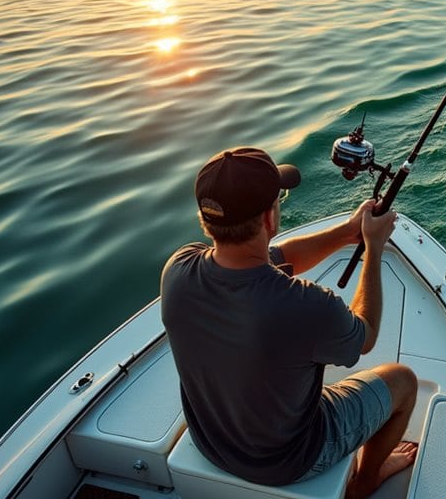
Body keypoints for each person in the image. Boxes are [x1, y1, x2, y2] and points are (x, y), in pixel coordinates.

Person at [161, 147, 418, 498]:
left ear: (207, 219)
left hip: (213, 444)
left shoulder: (177, 271)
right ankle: (366, 480)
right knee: (402, 381)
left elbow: (275, 257)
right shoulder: (307, 305)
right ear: (270, 218)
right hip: (292, 460)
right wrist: (374, 249)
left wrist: (348, 231)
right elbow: (366, 335)